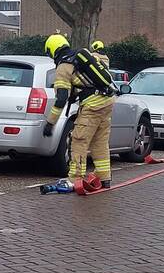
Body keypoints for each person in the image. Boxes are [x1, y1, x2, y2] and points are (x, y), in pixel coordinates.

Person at [42, 34, 116, 189]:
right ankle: (104, 178)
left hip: (92, 106)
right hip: (107, 101)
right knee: (100, 142)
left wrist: (50, 123)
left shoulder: (64, 66)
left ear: (52, 50)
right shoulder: (81, 56)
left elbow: (61, 99)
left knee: (79, 140)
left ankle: (75, 179)